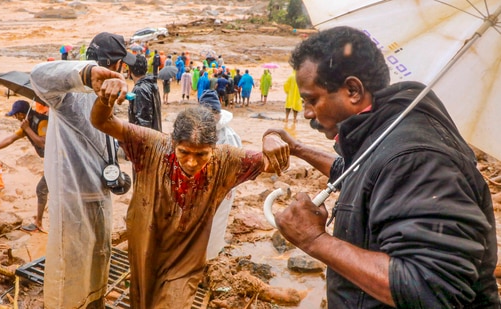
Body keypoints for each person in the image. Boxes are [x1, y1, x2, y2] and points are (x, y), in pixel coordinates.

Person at [268, 26, 500, 308]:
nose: (306, 113)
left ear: (353, 90)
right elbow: (360, 173)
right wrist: (299, 149)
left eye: (312, 99)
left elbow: (430, 286)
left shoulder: (416, 158)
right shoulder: (387, 133)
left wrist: (315, 240)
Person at [89, 76, 290, 308]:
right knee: (142, 299)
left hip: (186, 256)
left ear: (213, 149)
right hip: (146, 243)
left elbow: (272, 162)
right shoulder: (150, 144)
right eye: (184, 152)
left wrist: (272, 136)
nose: (192, 162)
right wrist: (105, 100)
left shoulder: (226, 159)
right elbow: (102, 122)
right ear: (173, 142)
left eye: (201, 155)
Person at [30, 31, 136, 309]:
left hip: (100, 195)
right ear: (114, 65)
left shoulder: (108, 97)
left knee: (99, 260)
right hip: (71, 198)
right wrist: (87, 74)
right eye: (121, 64)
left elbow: (105, 141)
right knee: (68, 270)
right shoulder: (66, 96)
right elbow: (39, 76)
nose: (123, 70)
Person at [0, 100, 48, 232]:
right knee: (45, 190)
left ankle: (40, 222)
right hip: (51, 161)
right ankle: (41, 221)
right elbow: (10, 139)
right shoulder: (27, 123)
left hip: (60, 160)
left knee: (41, 189)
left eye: (16, 115)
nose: (15, 118)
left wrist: (27, 129)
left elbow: (42, 143)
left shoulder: (42, 122)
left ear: (22, 114)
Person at [198, 90, 242, 259]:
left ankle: (210, 258)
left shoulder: (229, 136)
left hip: (221, 190)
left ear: (218, 113)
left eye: (214, 113)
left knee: (215, 225)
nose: (211, 117)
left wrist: (228, 185)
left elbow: (237, 165)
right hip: (197, 188)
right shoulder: (193, 130)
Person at [127, 53, 162, 131]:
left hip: (147, 140)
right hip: (155, 137)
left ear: (130, 71)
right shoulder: (151, 84)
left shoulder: (140, 90)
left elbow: (142, 126)